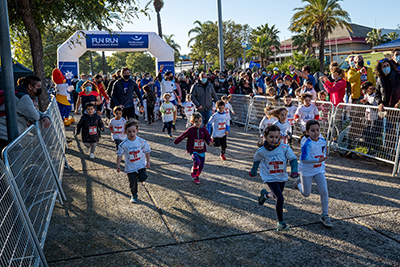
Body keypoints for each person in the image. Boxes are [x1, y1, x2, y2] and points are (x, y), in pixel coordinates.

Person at [249, 124, 298, 232]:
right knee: (280, 198)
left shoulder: (285, 148)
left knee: (276, 195)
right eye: (271, 137)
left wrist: (294, 171)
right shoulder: (262, 150)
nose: (274, 139)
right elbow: (256, 161)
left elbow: (293, 159)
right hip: (269, 177)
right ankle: (281, 223)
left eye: (276, 137)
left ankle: (265, 195)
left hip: (281, 176)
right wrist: (253, 171)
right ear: (265, 136)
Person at [293, 120, 332, 228]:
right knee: (306, 194)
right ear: (307, 132)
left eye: (317, 130)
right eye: (312, 130)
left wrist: (321, 163)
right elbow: (304, 159)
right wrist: (317, 160)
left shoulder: (322, 141)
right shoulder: (307, 143)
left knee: (324, 191)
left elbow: (322, 152)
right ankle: (299, 184)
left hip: (318, 170)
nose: (315, 133)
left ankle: (325, 215)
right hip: (307, 171)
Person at [0, 75, 51, 150]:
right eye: (38, 86)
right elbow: (35, 116)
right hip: (4, 136)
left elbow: (33, 112)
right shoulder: (24, 98)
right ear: (30, 87)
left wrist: (43, 115)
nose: (40, 89)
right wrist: (44, 116)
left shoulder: (18, 94)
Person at [116, 119, 151, 203]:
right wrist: (118, 165)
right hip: (130, 167)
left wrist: (148, 161)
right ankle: (134, 195)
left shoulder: (141, 142)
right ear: (125, 132)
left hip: (141, 165)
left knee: (143, 178)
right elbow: (120, 155)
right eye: (129, 132)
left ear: (137, 131)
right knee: (132, 182)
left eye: (133, 131)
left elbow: (147, 151)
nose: (131, 134)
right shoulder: (123, 144)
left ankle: (139, 178)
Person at [174, 113, 212, 184]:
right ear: (192, 122)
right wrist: (177, 141)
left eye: (200, 121)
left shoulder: (204, 130)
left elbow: (207, 137)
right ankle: (194, 171)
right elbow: (183, 135)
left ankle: (197, 176)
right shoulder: (190, 130)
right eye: (196, 121)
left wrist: (209, 141)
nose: (198, 123)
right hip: (193, 150)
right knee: (197, 161)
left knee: (201, 165)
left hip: (202, 150)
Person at [157, 65, 180, 130]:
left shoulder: (172, 83)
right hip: (165, 99)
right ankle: (166, 124)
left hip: (172, 99)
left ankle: (173, 124)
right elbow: (159, 77)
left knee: (174, 110)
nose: (172, 76)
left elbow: (175, 90)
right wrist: (160, 70)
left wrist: (178, 98)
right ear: (167, 76)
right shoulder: (163, 82)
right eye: (170, 75)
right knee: (166, 112)